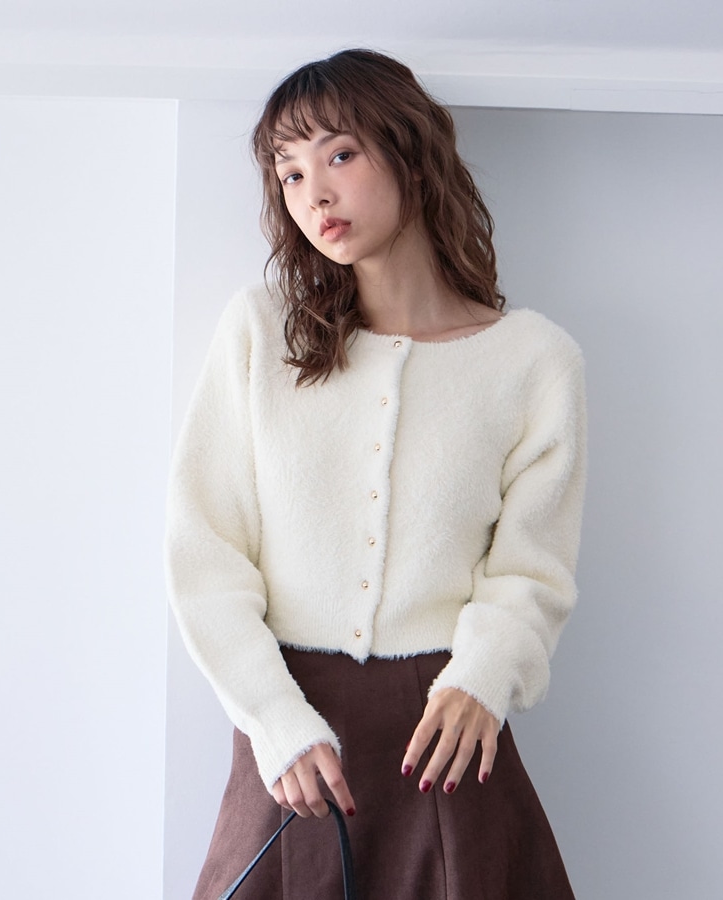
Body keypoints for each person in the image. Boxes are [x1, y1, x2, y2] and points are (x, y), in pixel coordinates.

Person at [166, 48, 587, 899]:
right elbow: (204, 554)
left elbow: (532, 569)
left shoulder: (534, 360)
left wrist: (483, 678)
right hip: (291, 735)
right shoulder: (262, 332)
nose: (313, 194)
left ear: (411, 154)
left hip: (446, 733)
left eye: (340, 155)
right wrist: (273, 720)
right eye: (290, 173)